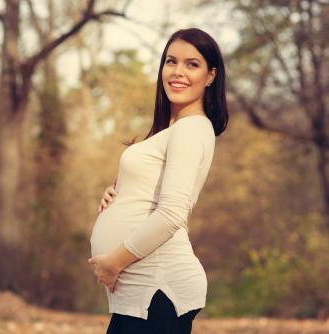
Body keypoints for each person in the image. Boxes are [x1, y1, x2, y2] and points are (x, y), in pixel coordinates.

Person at [88, 27, 229, 334]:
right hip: (145, 296)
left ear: (210, 76)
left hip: (159, 292)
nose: (178, 72)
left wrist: (114, 262)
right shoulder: (172, 131)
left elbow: (172, 213)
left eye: (192, 64)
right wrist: (116, 196)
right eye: (171, 61)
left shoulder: (191, 129)